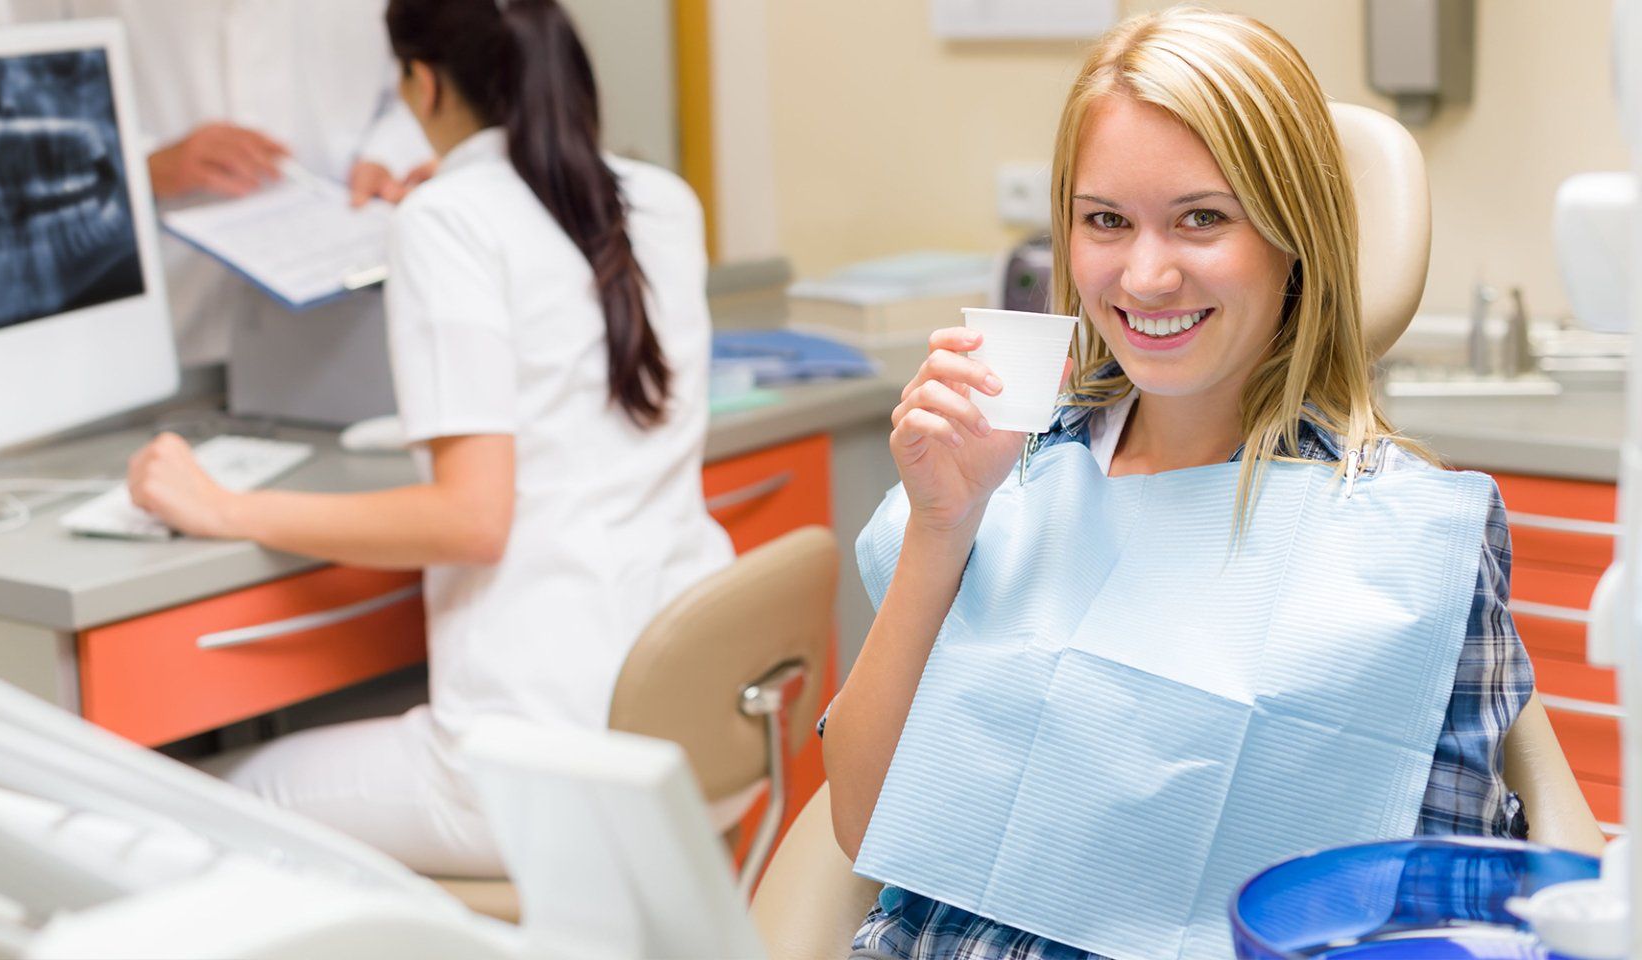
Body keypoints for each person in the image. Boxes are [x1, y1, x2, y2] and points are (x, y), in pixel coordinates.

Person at [820, 9, 1572, 959]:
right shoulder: (1001, 469)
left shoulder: (1400, 545)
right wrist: (943, 523)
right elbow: (862, 825)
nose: (1146, 274)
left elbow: (1426, 921)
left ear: (1296, 236)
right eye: (1105, 221)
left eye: (1203, 219)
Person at [119, 0, 734, 877]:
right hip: (684, 736)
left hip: (539, 763)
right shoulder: (664, 202)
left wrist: (223, 506)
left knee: (201, 801)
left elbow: (471, 519)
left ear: (425, 83)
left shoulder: (448, 220)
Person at [0, 0, 434, 366]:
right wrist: (135, 163)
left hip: (349, 304)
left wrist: (387, 156)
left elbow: (430, 83)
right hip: (154, 311)